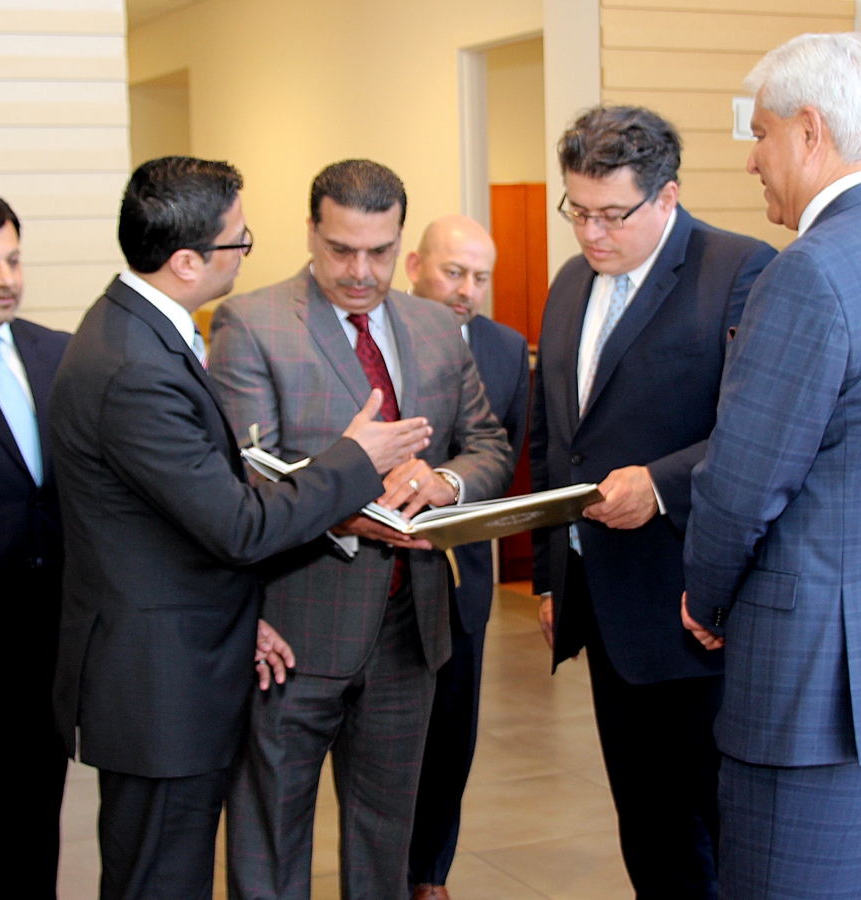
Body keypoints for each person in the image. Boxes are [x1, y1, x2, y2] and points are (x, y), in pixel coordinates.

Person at [51, 156, 429, 900]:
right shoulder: (135, 365)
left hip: (174, 659)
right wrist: (355, 458)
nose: (250, 251)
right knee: (159, 878)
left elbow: (172, 524)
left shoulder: (138, 333)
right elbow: (239, 526)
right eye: (239, 240)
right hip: (160, 686)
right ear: (188, 261)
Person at [681, 33, 861, 900]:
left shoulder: (808, 273)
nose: (752, 160)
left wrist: (705, 595)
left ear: (809, 132)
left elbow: (741, 486)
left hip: (810, 682)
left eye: (761, 134)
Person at [209, 161, 514, 900]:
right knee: (271, 836)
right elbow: (251, 474)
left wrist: (444, 482)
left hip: (411, 628)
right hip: (294, 626)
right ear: (311, 231)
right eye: (342, 248)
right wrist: (355, 489)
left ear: (400, 241)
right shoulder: (253, 321)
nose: (360, 270)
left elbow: (490, 447)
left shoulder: (437, 325)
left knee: (386, 841)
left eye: (379, 251)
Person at [531, 105, 775, 898]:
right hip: (602, 604)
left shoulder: (740, 269)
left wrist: (661, 486)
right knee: (649, 826)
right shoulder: (571, 283)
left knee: (722, 822)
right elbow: (553, 440)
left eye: (613, 214)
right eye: (578, 210)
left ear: (667, 196)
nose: (592, 234)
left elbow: (760, 431)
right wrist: (548, 574)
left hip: (694, 601)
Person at [404, 216, 529, 900]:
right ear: (415, 265)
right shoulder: (378, 333)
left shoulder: (505, 349)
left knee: (452, 737)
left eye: (481, 277)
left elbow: (503, 455)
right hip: (379, 572)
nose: (467, 290)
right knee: (390, 740)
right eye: (455, 272)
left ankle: (431, 874)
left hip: (462, 578)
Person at [0, 192, 70, 899]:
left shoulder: (56, 353)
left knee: (36, 814)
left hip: (48, 638)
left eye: (12, 259)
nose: (6, 278)